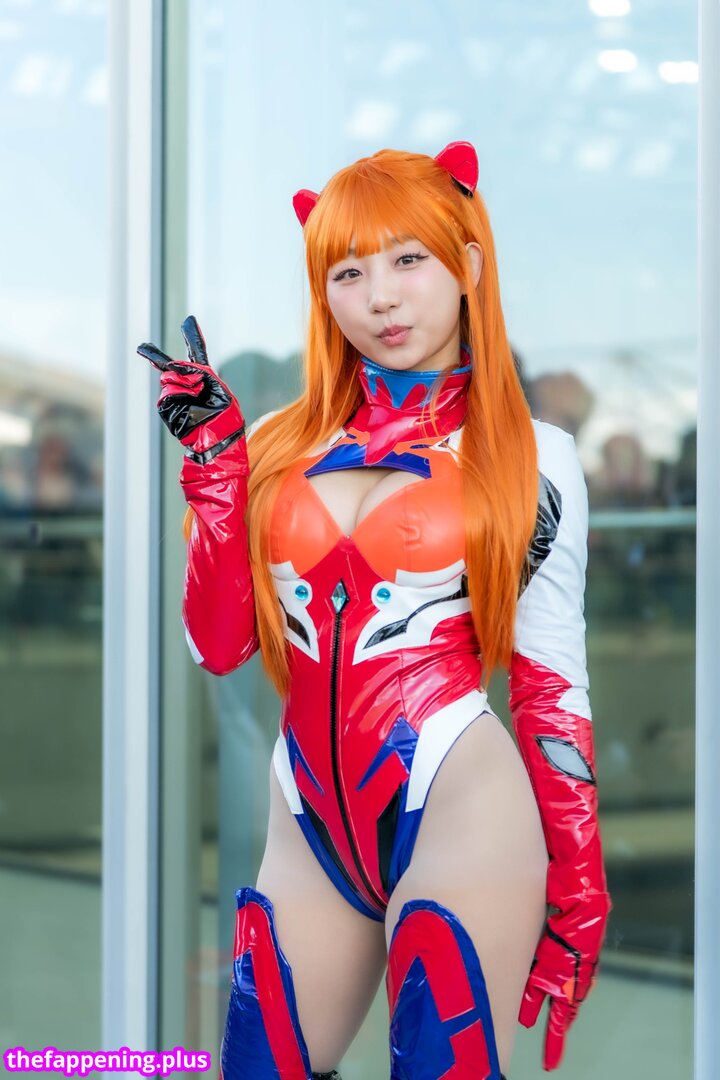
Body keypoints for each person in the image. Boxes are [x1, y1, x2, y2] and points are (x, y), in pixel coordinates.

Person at [138, 140, 611, 1079]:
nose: (382, 298)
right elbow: (220, 645)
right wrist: (217, 474)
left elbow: (551, 687)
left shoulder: (531, 454)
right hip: (309, 822)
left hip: (462, 807)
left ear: (467, 263)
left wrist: (579, 895)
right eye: (348, 272)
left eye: (408, 260)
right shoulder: (274, 443)